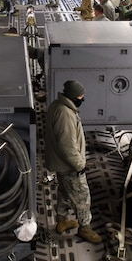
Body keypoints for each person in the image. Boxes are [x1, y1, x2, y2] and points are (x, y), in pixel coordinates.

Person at [44, 80, 102, 243]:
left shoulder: (57, 105)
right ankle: (85, 228)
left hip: (60, 164)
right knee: (82, 196)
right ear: (73, 96)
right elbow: (67, 146)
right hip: (69, 165)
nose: (82, 99)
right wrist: (80, 165)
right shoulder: (65, 114)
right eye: (80, 96)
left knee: (64, 192)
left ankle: (62, 222)